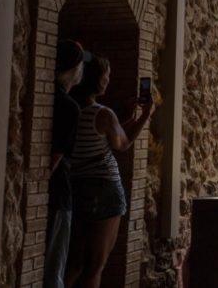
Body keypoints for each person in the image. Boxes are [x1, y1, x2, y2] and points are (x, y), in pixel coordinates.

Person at [67, 54, 152, 287]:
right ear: (97, 80)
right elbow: (123, 144)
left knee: (75, 262)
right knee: (95, 265)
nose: (108, 80)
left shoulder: (72, 109)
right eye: (106, 75)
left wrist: (123, 117)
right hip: (104, 189)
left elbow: (99, 136)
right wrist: (145, 115)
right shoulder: (103, 114)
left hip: (77, 187)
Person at [44, 39, 84, 288]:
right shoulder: (69, 107)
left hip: (46, 196)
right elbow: (55, 158)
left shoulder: (44, 96)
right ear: (74, 69)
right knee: (53, 269)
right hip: (58, 196)